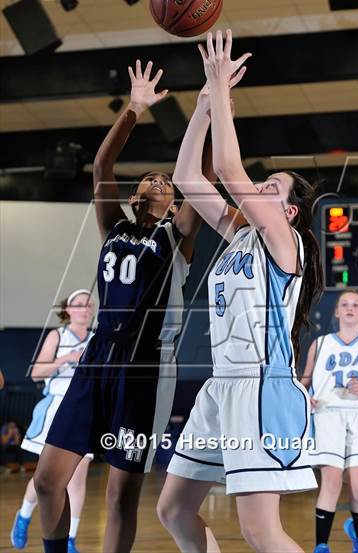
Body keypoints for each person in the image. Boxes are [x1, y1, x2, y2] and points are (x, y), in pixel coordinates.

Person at [33, 59, 219, 553]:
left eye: (166, 180)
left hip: (145, 369)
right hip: (97, 360)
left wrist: (210, 106)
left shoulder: (177, 236)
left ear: (175, 201)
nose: (158, 180)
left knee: (120, 495)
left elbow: (198, 175)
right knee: (49, 479)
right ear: (136, 195)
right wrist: (135, 109)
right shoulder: (114, 226)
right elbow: (101, 166)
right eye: (151, 177)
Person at [157, 29, 324, 553]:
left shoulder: (284, 241)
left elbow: (228, 169)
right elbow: (188, 176)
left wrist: (221, 92)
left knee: (259, 530)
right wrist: (205, 105)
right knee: (174, 510)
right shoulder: (241, 234)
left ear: (290, 211)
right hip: (221, 385)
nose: (258, 189)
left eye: (270, 187)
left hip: (260, 388)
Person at [301, 289, 358, 553]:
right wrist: (306, 398)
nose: (350, 308)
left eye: (356, 304)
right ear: (337, 312)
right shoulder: (320, 344)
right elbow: (304, 384)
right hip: (328, 414)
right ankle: (321, 546)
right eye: (344, 304)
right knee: (332, 480)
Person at [11, 290, 95, 553]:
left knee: (77, 479)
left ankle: (70, 539)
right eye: (78, 305)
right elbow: (36, 372)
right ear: (68, 310)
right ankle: (24, 515)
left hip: (84, 408)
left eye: (88, 304)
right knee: (45, 477)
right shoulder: (57, 336)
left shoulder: (96, 340)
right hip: (56, 407)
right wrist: (66, 359)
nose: (84, 308)